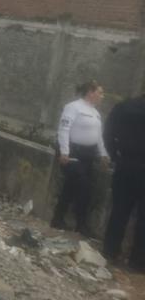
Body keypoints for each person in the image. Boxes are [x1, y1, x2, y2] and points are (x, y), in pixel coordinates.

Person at [51, 80, 109, 234]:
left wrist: (103, 154)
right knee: (84, 187)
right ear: (90, 92)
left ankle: (57, 218)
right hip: (73, 152)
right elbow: (64, 128)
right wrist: (64, 151)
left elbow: (99, 136)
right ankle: (81, 223)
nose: (102, 96)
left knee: (70, 186)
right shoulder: (73, 107)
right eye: (100, 92)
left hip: (88, 155)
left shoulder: (95, 113)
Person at [103, 92, 145, 271]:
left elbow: (108, 132)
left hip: (125, 165)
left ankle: (110, 251)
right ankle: (137, 262)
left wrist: (114, 155)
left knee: (119, 210)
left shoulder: (124, 106)